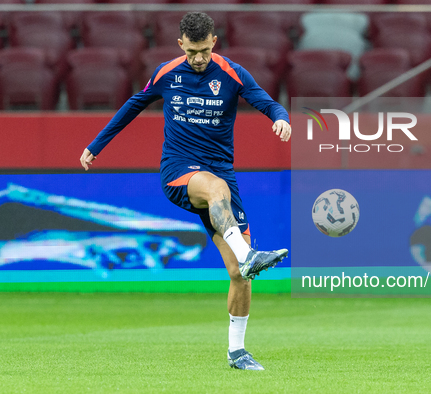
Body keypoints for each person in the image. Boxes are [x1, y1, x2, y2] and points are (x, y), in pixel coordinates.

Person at [79, 12, 291, 371]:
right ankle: (248, 252)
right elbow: (133, 106)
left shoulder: (232, 73)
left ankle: (237, 352)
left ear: (214, 42)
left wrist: (280, 117)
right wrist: (96, 145)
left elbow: (267, 102)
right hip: (179, 172)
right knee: (216, 190)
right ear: (181, 44)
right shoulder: (167, 73)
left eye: (204, 50)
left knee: (240, 274)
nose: (198, 59)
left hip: (222, 180)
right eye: (192, 51)